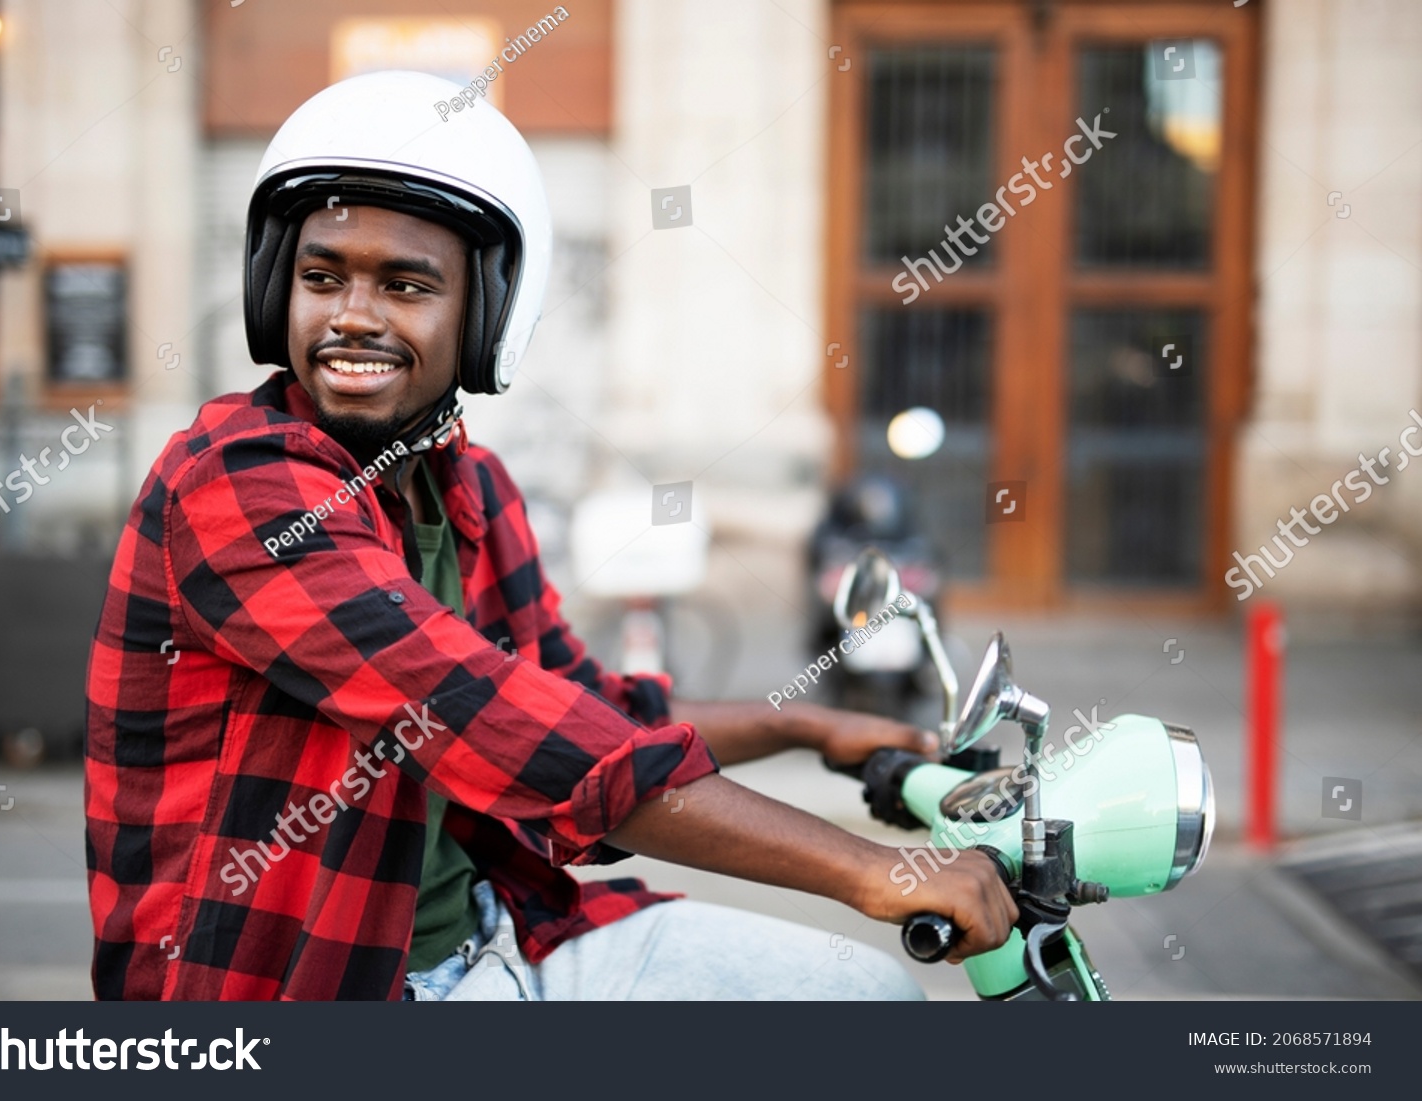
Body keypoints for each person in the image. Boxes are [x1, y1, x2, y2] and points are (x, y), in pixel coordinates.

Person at [83, 71, 1016, 1001]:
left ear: (485, 316)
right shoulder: (238, 485)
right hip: (312, 990)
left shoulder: (471, 487)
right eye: (322, 277)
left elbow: (581, 707)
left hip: (503, 936)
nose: (352, 315)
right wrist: (868, 870)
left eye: (406, 285)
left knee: (864, 995)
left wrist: (804, 725)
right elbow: (490, 718)